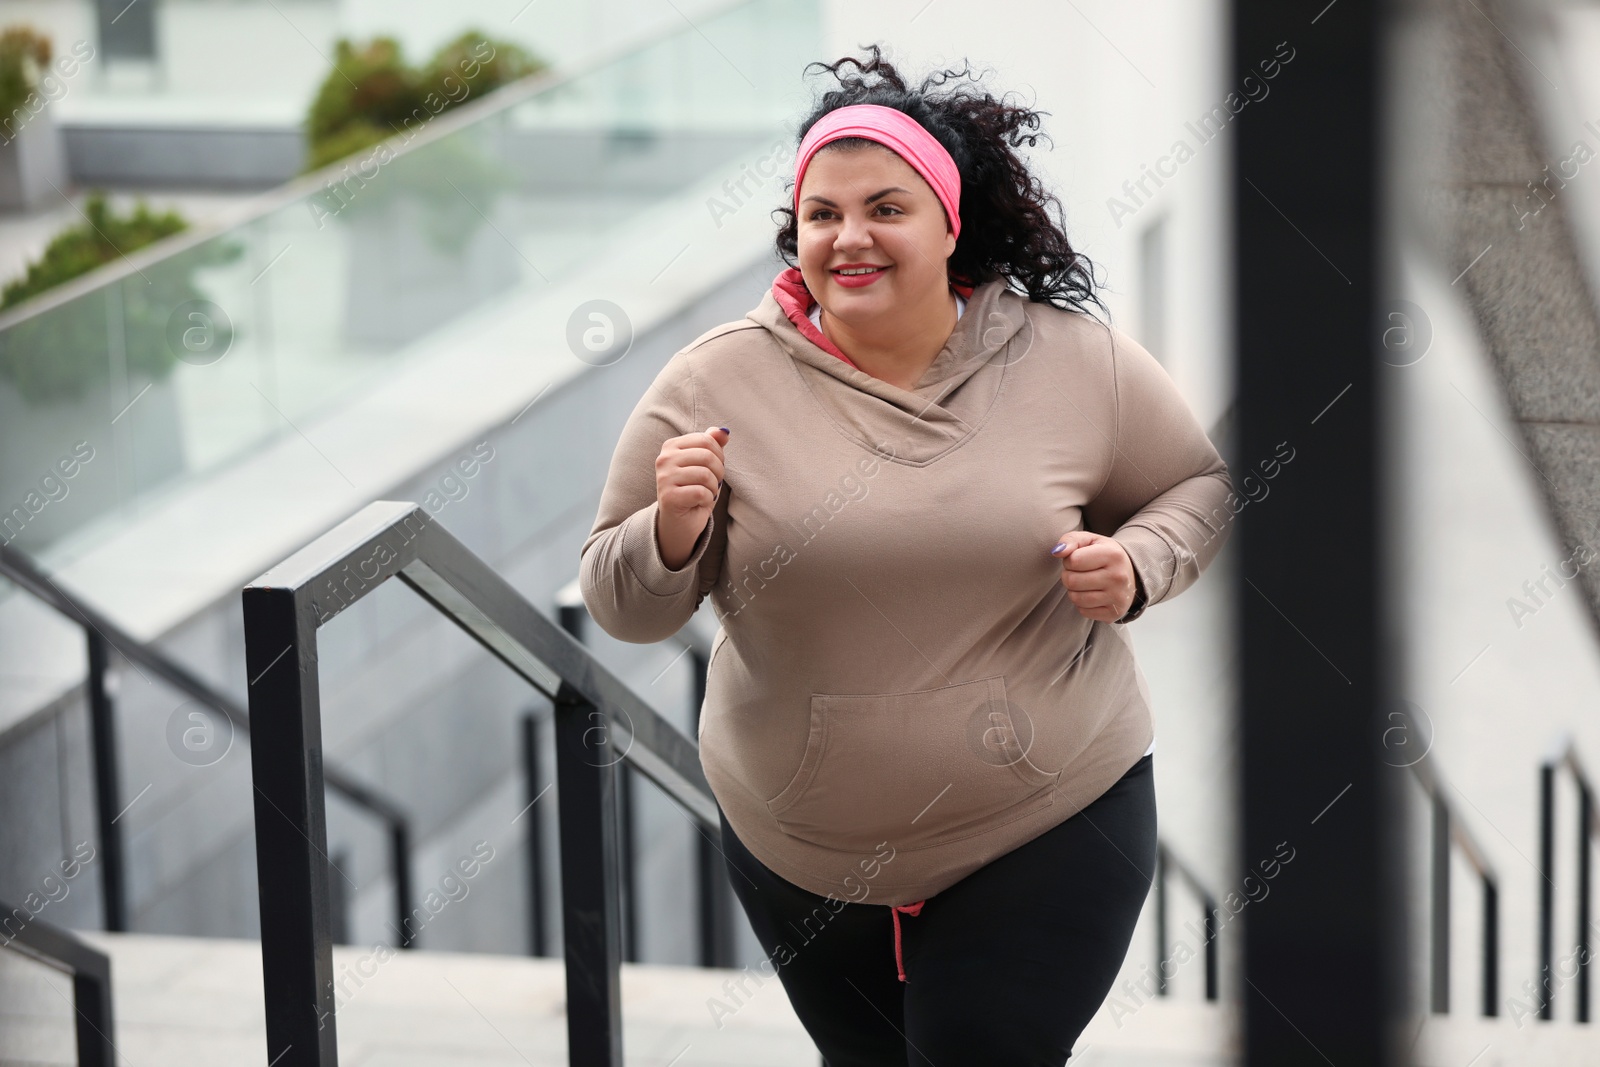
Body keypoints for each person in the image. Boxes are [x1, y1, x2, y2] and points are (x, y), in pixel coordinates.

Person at [579, 46, 1233, 1066]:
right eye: (823, 213)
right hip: (799, 848)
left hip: (1047, 814)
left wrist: (1138, 561)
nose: (850, 237)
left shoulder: (1071, 361)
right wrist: (670, 529)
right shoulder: (712, 382)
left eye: (886, 207)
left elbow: (1197, 487)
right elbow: (621, 602)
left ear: (947, 222)